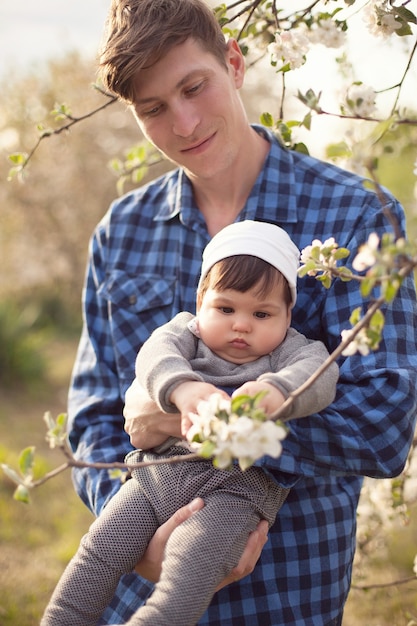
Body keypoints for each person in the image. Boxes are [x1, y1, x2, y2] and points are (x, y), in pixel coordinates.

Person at [65, 0, 417, 624]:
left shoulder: (357, 218)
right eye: (154, 109)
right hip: (133, 591)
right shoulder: (122, 232)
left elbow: (385, 423)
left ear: (234, 62)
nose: (185, 122)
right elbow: (92, 419)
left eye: (193, 87)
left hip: (285, 595)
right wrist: (143, 535)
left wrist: (188, 426)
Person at [42, 221, 339, 626]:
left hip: (236, 489)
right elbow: (153, 355)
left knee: (189, 567)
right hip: (156, 478)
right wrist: (183, 390)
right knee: (101, 548)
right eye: (226, 308)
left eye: (262, 313)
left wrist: (274, 392)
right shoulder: (186, 332)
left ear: (288, 315)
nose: (242, 324)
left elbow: (320, 374)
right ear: (202, 301)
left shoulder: (292, 351)